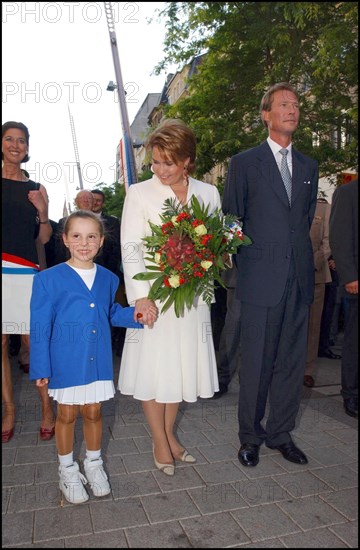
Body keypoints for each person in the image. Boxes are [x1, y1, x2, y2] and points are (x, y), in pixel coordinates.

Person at [222, 82, 319, 467]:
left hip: (297, 279)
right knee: (257, 363)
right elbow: (232, 219)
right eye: (283, 104)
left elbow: (304, 219)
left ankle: (280, 433)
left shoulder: (309, 166)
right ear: (266, 114)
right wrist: (243, 267)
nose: (292, 110)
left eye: (295, 105)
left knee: (291, 364)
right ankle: (250, 438)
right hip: (259, 280)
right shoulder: (245, 162)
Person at [29, 210, 155, 504]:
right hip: (65, 361)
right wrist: (40, 367)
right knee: (67, 414)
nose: (84, 243)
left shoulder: (109, 279)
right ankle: (67, 470)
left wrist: (137, 314)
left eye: (91, 237)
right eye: (77, 236)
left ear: (100, 242)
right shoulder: (48, 279)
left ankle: (94, 464)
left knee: (94, 411)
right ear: (65, 240)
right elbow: (39, 327)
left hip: (96, 360)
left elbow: (109, 313)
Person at [118, 118, 220, 475]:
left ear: (187, 160)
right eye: (155, 161)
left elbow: (215, 243)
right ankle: (161, 441)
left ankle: (170, 437)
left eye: (169, 162)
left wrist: (214, 258)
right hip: (155, 297)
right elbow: (130, 247)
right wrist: (139, 299)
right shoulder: (140, 193)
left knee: (177, 369)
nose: (160, 169)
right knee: (153, 368)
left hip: (192, 299)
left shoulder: (209, 194)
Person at [2, 121, 56, 444]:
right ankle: (9, 411)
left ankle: (47, 409)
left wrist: (44, 211)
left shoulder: (35, 188)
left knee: (31, 344)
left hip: (25, 271)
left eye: (20, 140)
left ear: (27, 148)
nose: (14, 145)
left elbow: (45, 237)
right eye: (8, 139)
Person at [329, 179, 358, 418]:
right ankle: (352, 394)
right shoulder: (347, 192)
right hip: (357, 282)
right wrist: (349, 276)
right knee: (355, 340)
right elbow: (339, 236)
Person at [304, 197, 332, 387]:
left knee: (313, 325)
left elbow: (329, 241)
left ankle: (307, 370)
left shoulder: (323, 208)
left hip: (315, 275)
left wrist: (314, 261)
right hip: (286, 277)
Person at [212, 264, 242, 398]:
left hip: (269, 274)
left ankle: (253, 379)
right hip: (238, 273)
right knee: (233, 326)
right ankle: (222, 376)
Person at [91, 189, 121, 276]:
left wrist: (109, 270)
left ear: (103, 203)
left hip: (107, 270)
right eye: (92, 199)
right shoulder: (77, 221)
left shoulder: (113, 222)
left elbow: (116, 247)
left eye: (98, 200)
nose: (95, 203)